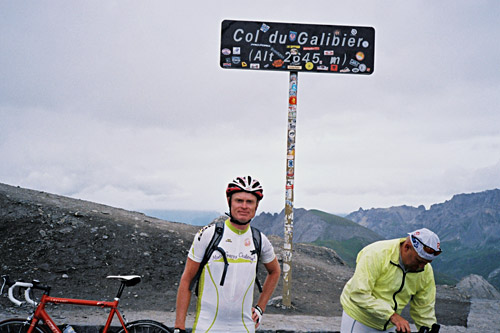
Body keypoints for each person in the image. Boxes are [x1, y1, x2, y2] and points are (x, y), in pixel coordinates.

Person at [174, 176, 281, 333]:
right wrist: (179, 327)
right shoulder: (208, 235)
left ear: (256, 206)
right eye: (239, 200)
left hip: (244, 327)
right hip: (208, 326)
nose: (244, 206)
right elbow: (186, 280)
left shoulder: (260, 240)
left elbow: (275, 271)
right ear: (229, 201)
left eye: (249, 202)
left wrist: (260, 308)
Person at [340, 228, 442, 333]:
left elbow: (424, 306)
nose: (421, 267)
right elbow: (359, 294)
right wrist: (391, 315)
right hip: (360, 319)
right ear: (407, 247)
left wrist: (429, 328)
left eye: (427, 262)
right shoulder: (375, 254)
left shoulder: (425, 270)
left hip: (390, 322)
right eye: (418, 260)